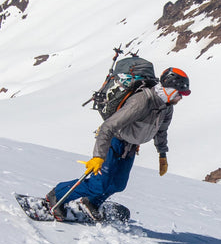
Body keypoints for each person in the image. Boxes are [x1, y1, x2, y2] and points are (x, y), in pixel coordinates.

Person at [46, 67, 190, 222]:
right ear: (169, 89)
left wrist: (162, 154)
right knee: (99, 184)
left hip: (131, 147)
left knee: (118, 184)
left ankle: (91, 202)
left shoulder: (166, 108)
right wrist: (98, 157)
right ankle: (56, 195)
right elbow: (108, 127)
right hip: (114, 142)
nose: (180, 98)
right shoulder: (141, 101)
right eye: (179, 93)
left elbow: (161, 131)